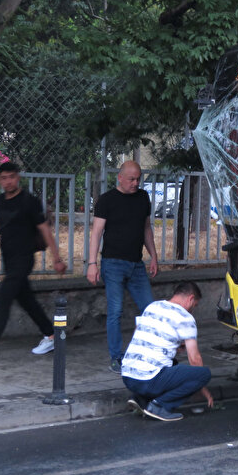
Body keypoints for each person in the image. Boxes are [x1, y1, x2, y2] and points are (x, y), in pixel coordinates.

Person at [0, 162, 67, 364]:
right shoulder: (1, 199)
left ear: (18, 177)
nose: (8, 181)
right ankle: (52, 336)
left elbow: (45, 230)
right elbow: (1, 221)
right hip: (9, 259)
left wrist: (57, 259)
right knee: (27, 300)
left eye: (11, 177)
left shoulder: (30, 201)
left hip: (24, 258)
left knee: (4, 298)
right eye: (3, 178)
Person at [87, 160, 159, 373]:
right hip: (113, 263)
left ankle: (146, 352)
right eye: (131, 179)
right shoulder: (107, 200)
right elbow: (97, 233)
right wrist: (92, 264)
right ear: (120, 177)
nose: (135, 183)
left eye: (138, 179)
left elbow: (146, 229)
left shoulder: (143, 197)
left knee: (150, 310)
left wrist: (153, 257)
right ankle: (116, 357)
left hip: (137, 264)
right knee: (115, 311)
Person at [121, 281, 213, 422]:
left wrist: (173, 346)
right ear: (190, 298)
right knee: (203, 374)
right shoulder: (185, 318)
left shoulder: (152, 306)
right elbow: (195, 359)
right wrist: (203, 388)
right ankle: (159, 406)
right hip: (148, 380)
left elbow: (142, 335)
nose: (192, 311)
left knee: (173, 363)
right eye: (194, 306)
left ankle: (140, 399)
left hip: (128, 375)